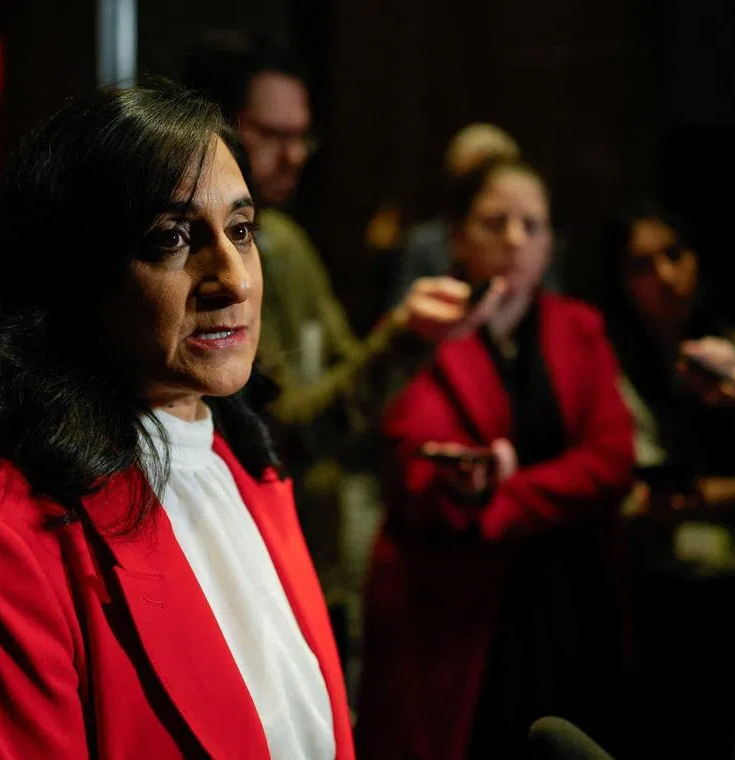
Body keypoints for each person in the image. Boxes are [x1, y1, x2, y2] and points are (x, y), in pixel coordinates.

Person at [0, 81, 355, 759]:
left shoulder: (245, 472)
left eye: (241, 231)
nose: (233, 279)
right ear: (73, 275)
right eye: (173, 238)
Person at [182, 33, 500, 658]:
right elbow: (281, 431)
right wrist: (403, 341)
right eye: (271, 135)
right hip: (238, 559)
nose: (294, 155)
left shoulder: (290, 246)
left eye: (303, 135)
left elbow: (344, 383)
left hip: (313, 556)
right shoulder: (203, 267)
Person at [356, 157, 636, 760]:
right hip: (456, 609)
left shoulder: (576, 326)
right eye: (496, 222)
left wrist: (503, 498)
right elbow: (419, 469)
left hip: (569, 592)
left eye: (532, 225)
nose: (516, 240)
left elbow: (613, 458)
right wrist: (473, 489)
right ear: (456, 236)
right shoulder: (423, 328)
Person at [602, 202, 735, 758]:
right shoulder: (612, 362)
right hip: (653, 584)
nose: (665, 277)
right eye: (642, 266)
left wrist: (727, 493)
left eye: (674, 255)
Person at [385, 123, 522, 307]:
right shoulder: (424, 243)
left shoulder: (534, 242)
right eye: (473, 178)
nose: (515, 239)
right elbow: (403, 315)